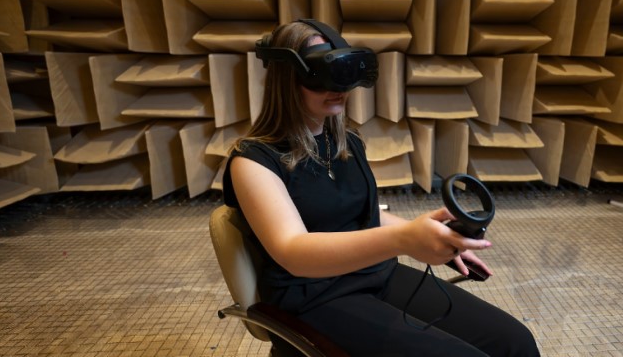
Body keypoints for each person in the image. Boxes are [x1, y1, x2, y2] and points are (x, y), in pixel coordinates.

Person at [223, 20, 540, 356]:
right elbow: (294, 252)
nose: (339, 87)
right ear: (287, 79)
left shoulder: (346, 143)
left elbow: (365, 214)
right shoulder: (254, 161)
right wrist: (405, 240)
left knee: (514, 342)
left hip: (375, 274)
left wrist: (432, 234)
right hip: (315, 297)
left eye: (344, 71)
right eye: (322, 74)